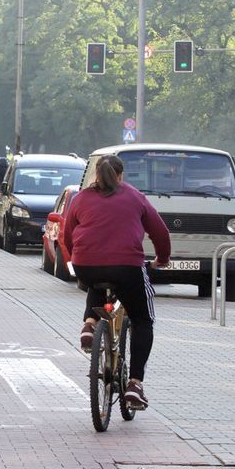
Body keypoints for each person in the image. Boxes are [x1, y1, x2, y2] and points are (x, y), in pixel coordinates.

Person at [63, 155, 171, 410]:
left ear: (96, 176)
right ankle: (135, 385)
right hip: (127, 267)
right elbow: (160, 231)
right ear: (121, 175)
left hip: (85, 264)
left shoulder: (81, 198)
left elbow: (68, 235)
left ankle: (89, 325)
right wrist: (162, 259)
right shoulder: (134, 196)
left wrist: (77, 257)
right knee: (143, 319)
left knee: (95, 281)